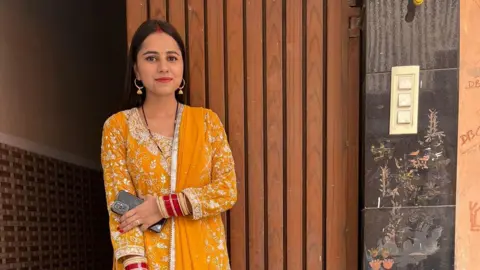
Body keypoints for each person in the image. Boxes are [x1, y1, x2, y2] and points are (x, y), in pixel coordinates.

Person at [100, 19, 237, 270]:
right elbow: (119, 207)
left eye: (172, 58)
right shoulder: (118, 127)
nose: (163, 67)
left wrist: (162, 206)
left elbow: (226, 190)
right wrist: (135, 265)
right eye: (151, 58)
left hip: (204, 257)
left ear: (182, 67)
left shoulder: (206, 123)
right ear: (137, 70)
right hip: (147, 260)